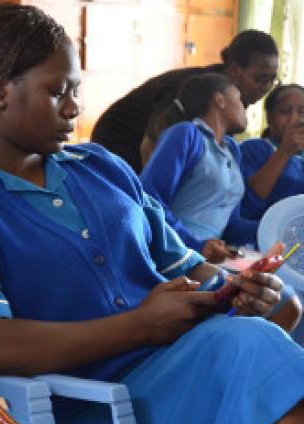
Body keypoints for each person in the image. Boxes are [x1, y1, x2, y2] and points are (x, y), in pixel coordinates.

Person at [0, 3, 304, 424]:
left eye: (76, 89)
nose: (75, 107)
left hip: (186, 359)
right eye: (58, 92)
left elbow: (188, 268)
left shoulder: (101, 167)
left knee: (278, 327)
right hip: (90, 404)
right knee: (255, 353)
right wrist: (139, 326)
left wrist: (236, 287)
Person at [91, 29, 279, 172]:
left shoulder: (231, 100)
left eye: (272, 79)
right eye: (260, 79)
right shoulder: (195, 89)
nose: (266, 87)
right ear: (235, 69)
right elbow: (151, 146)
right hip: (117, 148)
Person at [139, 73, 255, 264]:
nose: (245, 108)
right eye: (240, 99)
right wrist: (194, 243)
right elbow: (149, 198)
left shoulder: (232, 150)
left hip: (207, 258)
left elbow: (230, 225)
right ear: (220, 100)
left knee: (281, 290)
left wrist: (273, 228)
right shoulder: (186, 134)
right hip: (175, 253)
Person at [240, 84, 304, 220]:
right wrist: (285, 151)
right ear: (269, 118)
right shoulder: (253, 149)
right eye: (285, 112)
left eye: (302, 112)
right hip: (259, 233)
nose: (294, 119)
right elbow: (249, 203)